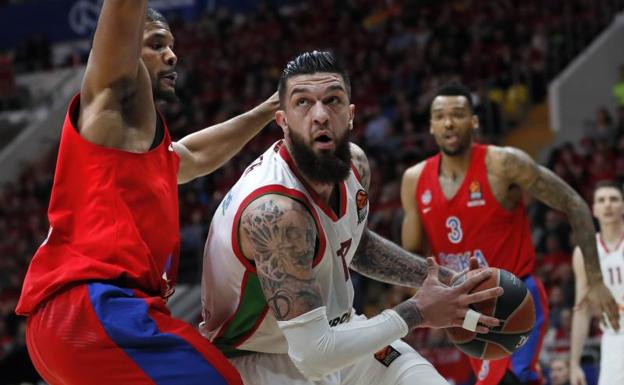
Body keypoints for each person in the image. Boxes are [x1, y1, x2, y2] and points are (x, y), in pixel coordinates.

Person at [199, 50, 504, 385]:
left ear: (351, 114)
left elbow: (354, 243)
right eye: (303, 103)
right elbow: (314, 356)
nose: (320, 115)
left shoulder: (354, 166)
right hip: (260, 360)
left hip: (338, 335)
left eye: (333, 100)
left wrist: (449, 281)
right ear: (282, 121)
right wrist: (418, 311)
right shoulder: (276, 213)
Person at [15, 2, 278, 384]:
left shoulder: (147, 153)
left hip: (71, 330)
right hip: (92, 309)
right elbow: (122, 15)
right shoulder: (109, 103)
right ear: (125, 52)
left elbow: (197, 154)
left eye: (171, 45)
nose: (172, 55)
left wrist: (271, 107)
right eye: (157, 44)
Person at [400, 82, 620, 385]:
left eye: (458, 114)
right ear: (431, 125)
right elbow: (411, 257)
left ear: (474, 121)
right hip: (465, 310)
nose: (449, 122)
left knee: (510, 380)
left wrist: (595, 281)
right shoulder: (414, 180)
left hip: (516, 296)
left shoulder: (503, 164)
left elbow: (573, 202)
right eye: (440, 116)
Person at [570, 181, 624, 385]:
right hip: (613, 336)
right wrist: (574, 363)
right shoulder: (584, 252)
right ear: (594, 209)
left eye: (614, 199)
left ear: (623, 206)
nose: (608, 205)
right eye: (602, 200)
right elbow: (581, 310)